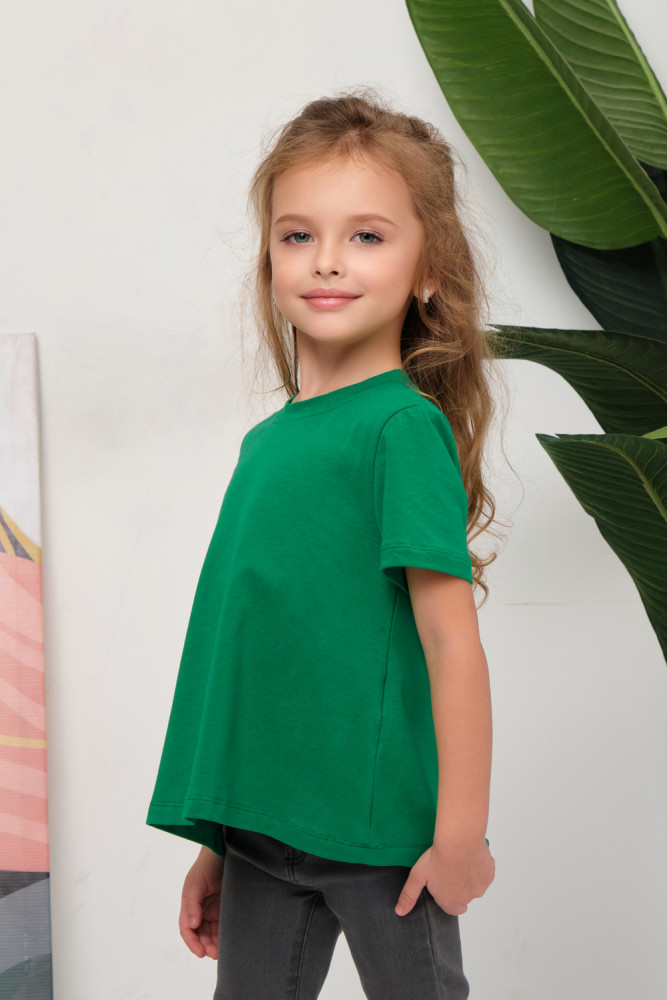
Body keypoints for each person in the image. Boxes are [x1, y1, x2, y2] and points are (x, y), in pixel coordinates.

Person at [146, 86, 508, 999]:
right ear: (269, 258)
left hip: (383, 842)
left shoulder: (398, 428)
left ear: (429, 269)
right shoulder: (266, 443)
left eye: (367, 236)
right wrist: (217, 841)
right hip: (261, 836)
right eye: (297, 234)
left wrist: (459, 836)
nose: (327, 260)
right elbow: (257, 655)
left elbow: (450, 643)